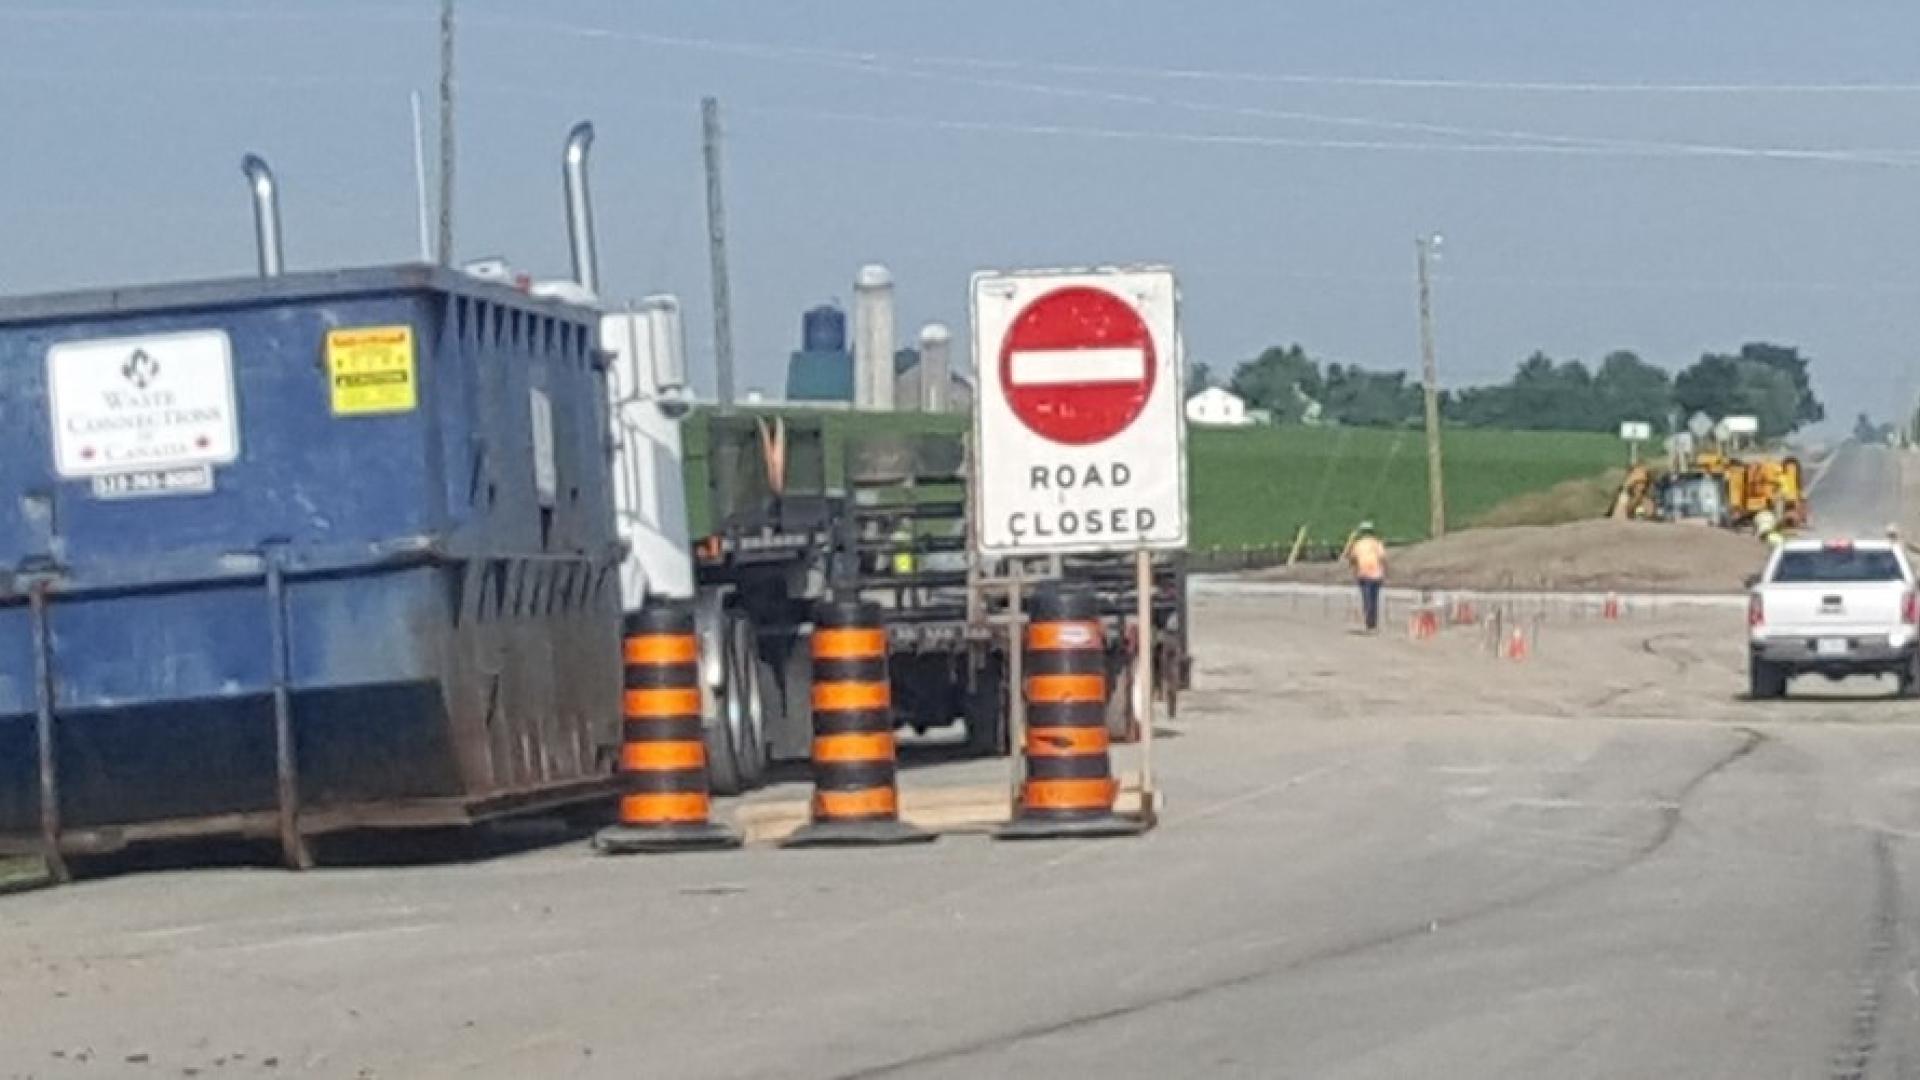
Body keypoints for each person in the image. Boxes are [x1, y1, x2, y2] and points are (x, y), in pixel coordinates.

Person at [1348, 521, 1388, 633]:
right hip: (1376, 575)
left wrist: (1354, 568)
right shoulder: (1377, 543)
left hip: (1364, 575)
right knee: (1374, 599)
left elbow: (1352, 558)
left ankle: (1370, 623)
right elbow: (1382, 558)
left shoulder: (1358, 544)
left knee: (1367, 599)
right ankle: (1372, 623)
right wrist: (1385, 570)